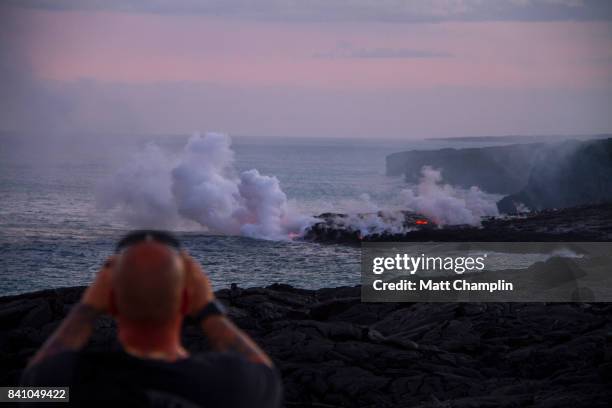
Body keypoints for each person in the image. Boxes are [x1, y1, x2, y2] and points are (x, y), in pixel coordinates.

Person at [21, 231, 282, 407]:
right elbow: (266, 375)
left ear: (109, 301)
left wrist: (87, 308)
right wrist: (206, 309)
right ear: (186, 301)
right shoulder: (235, 385)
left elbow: (26, 390)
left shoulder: (65, 384)